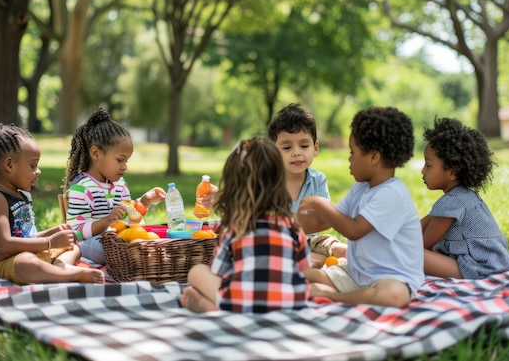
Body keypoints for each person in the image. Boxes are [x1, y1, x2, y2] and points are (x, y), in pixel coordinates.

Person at [297, 106, 424, 308]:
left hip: (392, 278)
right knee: (303, 275)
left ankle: (332, 296)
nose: (349, 158)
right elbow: (333, 218)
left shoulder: (392, 193)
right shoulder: (361, 188)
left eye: (352, 152)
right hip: (357, 273)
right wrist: (294, 222)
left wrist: (319, 203)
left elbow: (354, 230)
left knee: (394, 296)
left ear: (373, 157)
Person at [180, 136, 311, 313]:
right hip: (291, 303)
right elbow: (304, 270)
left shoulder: (234, 228)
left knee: (197, 271)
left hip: (240, 302)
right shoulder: (293, 227)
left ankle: (212, 308)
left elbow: (218, 271)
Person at [0, 123, 105, 285]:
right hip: (5, 263)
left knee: (74, 247)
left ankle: (59, 267)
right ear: (9, 165)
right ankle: (69, 276)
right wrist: (50, 242)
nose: (38, 171)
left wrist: (53, 232)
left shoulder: (20, 195)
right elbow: (4, 245)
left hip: (30, 253)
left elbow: (25, 238)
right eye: (33, 165)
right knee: (27, 263)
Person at [62, 108, 166, 265]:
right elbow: (76, 232)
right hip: (90, 244)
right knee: (119, 248)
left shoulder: (120, 184)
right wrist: (105, 222)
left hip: (118, 239)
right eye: (120, 160)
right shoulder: (82, 189)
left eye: (126, 161)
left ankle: (137, 258)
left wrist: (145, 201)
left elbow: (128, 215)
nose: (125, 167)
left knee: (143, 239)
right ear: (96, 154)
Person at [420, 117, 509, 278]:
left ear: (451, 172)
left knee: (410, 254)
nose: (422, 171)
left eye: (428, 165)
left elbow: (421, 243)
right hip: (493, 265)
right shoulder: (462, 196)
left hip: (481, 269)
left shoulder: (452, 202)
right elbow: (416, 228)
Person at [267, 103, 333, 268]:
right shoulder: (268, 181)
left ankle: (305, 262)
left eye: (304, 146)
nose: (297, 152)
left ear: (315, 148)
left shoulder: (318, 180)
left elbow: (325, 218)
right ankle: (303, 263)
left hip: (310, 240)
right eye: (287, 147)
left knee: (336, 247)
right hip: (277, 241)